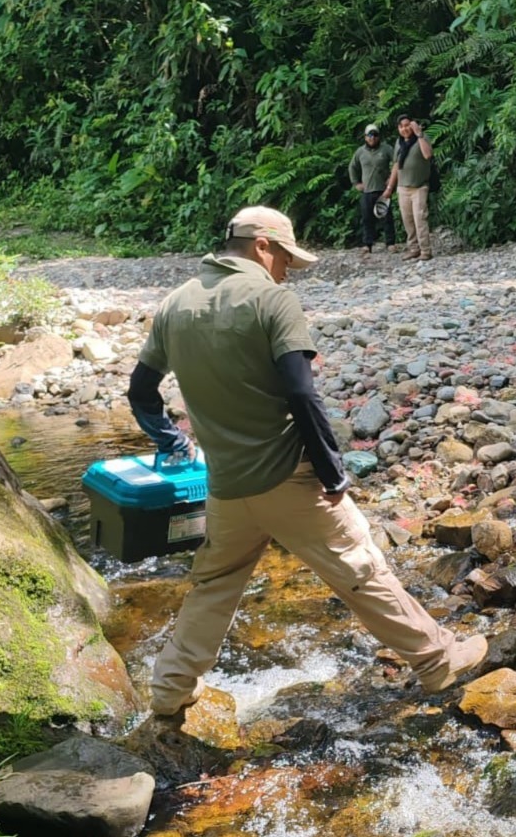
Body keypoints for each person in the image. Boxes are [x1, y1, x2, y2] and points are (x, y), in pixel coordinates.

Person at [127, 205, 487, 715]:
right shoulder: (272, 301)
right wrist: (332, 471)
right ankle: (435, 660)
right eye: (285, 260)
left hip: (225, 483)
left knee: (213, 586)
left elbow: (141, 390)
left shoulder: (175, 304)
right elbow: (302, 394)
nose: (286, 272)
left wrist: (170, 440)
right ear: (262, 247)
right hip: (286, 476)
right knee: (359, 566)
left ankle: (170, 691)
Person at [381, 114, 433, 261]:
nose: (404, 129)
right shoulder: (399, 143)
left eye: (407, 125)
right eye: (401, 126)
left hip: (419, 187)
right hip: (403, 187)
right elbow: (396, 166)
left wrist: (419, 134)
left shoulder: (422, 138)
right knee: (407, 220)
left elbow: (428, 155)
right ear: (398, 129)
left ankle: (425, 250)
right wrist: (390, 187)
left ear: (412, 124)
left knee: (420, 219)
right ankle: (413, 248)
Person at [348, 123, 396, 255]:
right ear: (365, 137)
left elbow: (397, 163)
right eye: (369, 135)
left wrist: (391, 178)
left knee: (387, 217)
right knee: (367, 218)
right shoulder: (360, 152)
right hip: (367, 190)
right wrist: (356, 183)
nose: (372, 138)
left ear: (378, 136)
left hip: (383, 189)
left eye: (375, 135)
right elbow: (352, 167)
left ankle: (390, 243)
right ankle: (367, 244)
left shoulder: (386, 149)